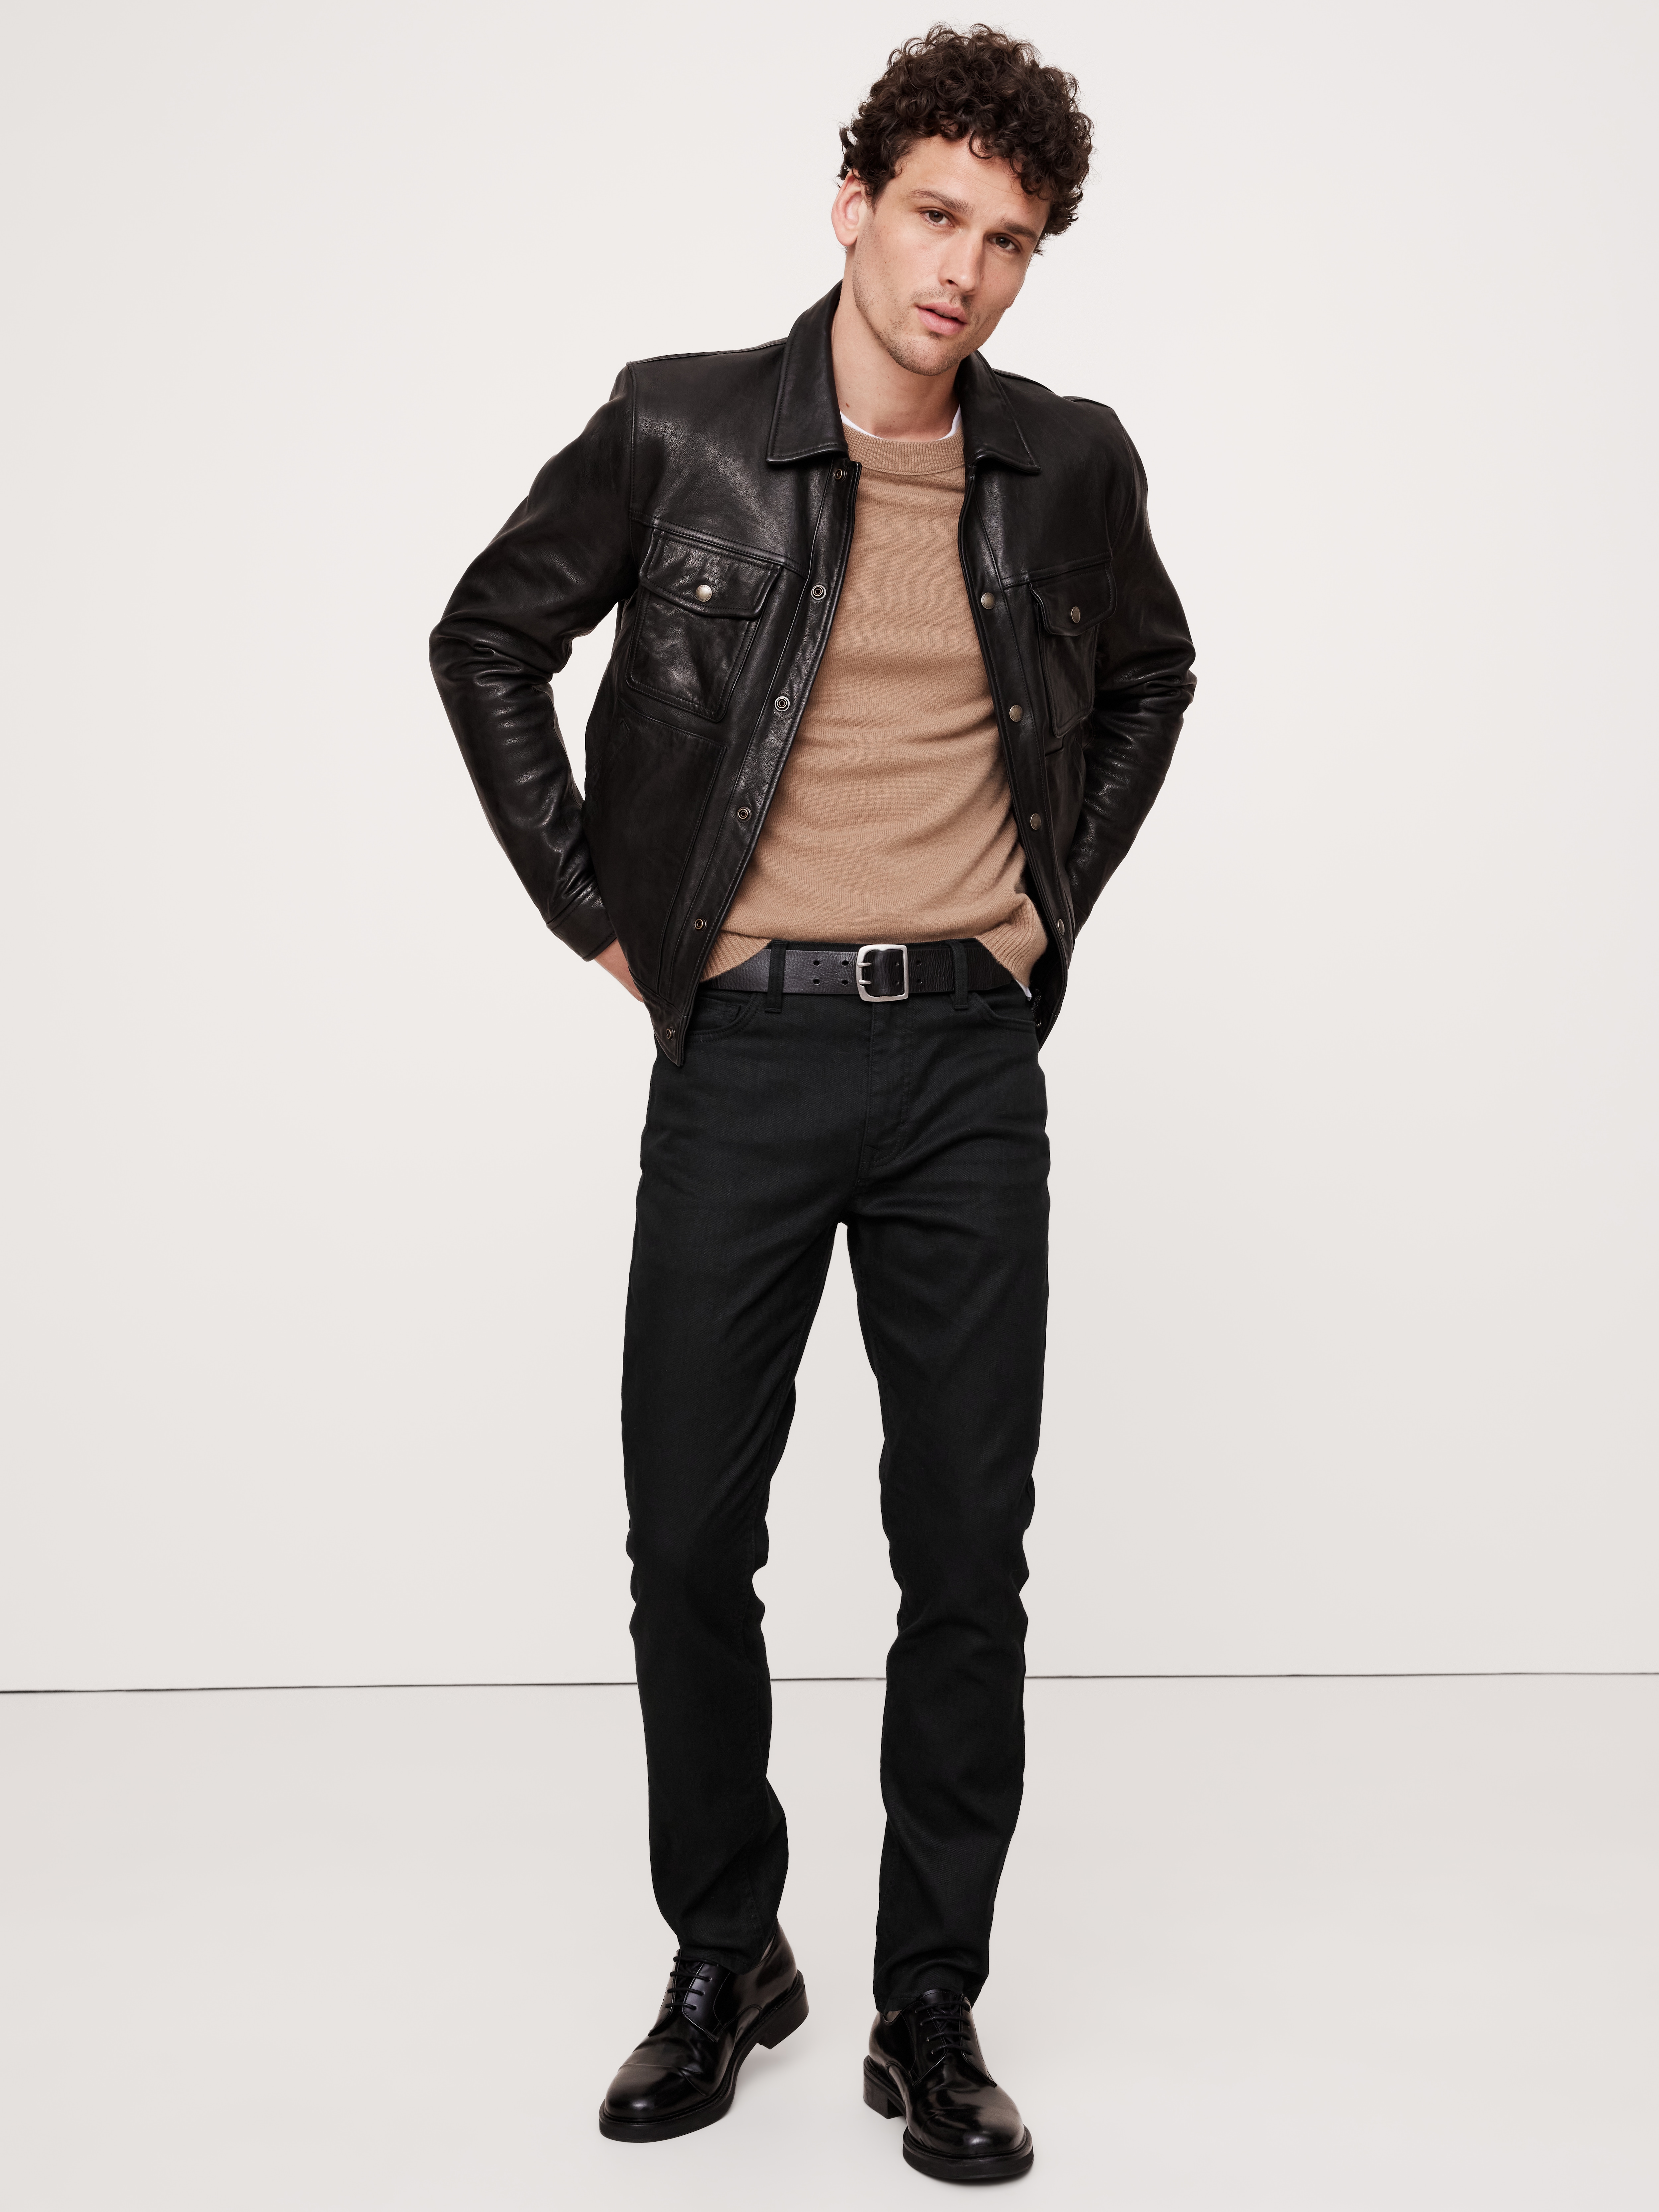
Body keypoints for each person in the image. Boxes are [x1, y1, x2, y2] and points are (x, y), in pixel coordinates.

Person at [431, 23, 1194, 2185]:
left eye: (1009, 242)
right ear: (852, 206)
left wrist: (1043, 912)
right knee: (689, 1536)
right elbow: (487, 638)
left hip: (963, 1062)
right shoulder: (679, 427)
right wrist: (608, 920)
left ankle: (926, 2003)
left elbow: (1151, 677)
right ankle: (724, 1954)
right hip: (746, 1053)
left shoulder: (1068, 463)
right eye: (935, 216)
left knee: (961, 1555)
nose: (963, 271)